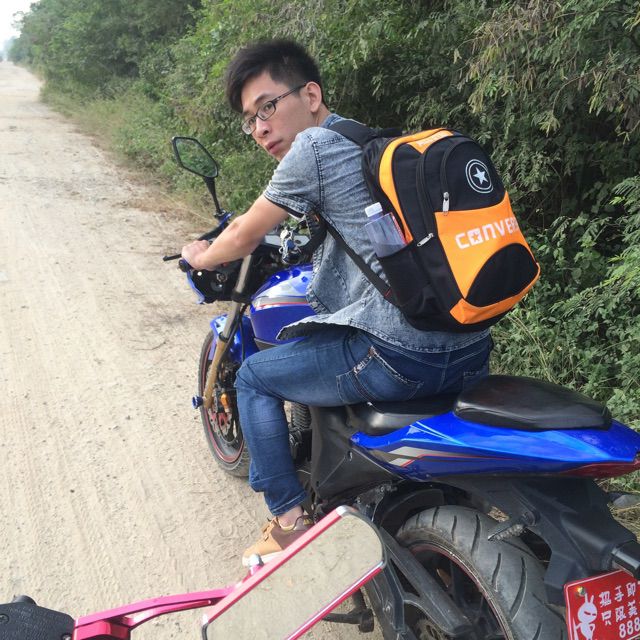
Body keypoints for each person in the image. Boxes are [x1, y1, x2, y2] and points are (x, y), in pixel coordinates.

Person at [181, 39, 492, 566]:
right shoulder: (369, 142)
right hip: (469, 346)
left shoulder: (314, 149)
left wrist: (202, 256)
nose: (259, 129)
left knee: (254, 378)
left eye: (267, 107)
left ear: (311, 95)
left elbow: (244, 234)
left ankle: (288, 521)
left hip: (401, 356)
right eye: (250, 121)